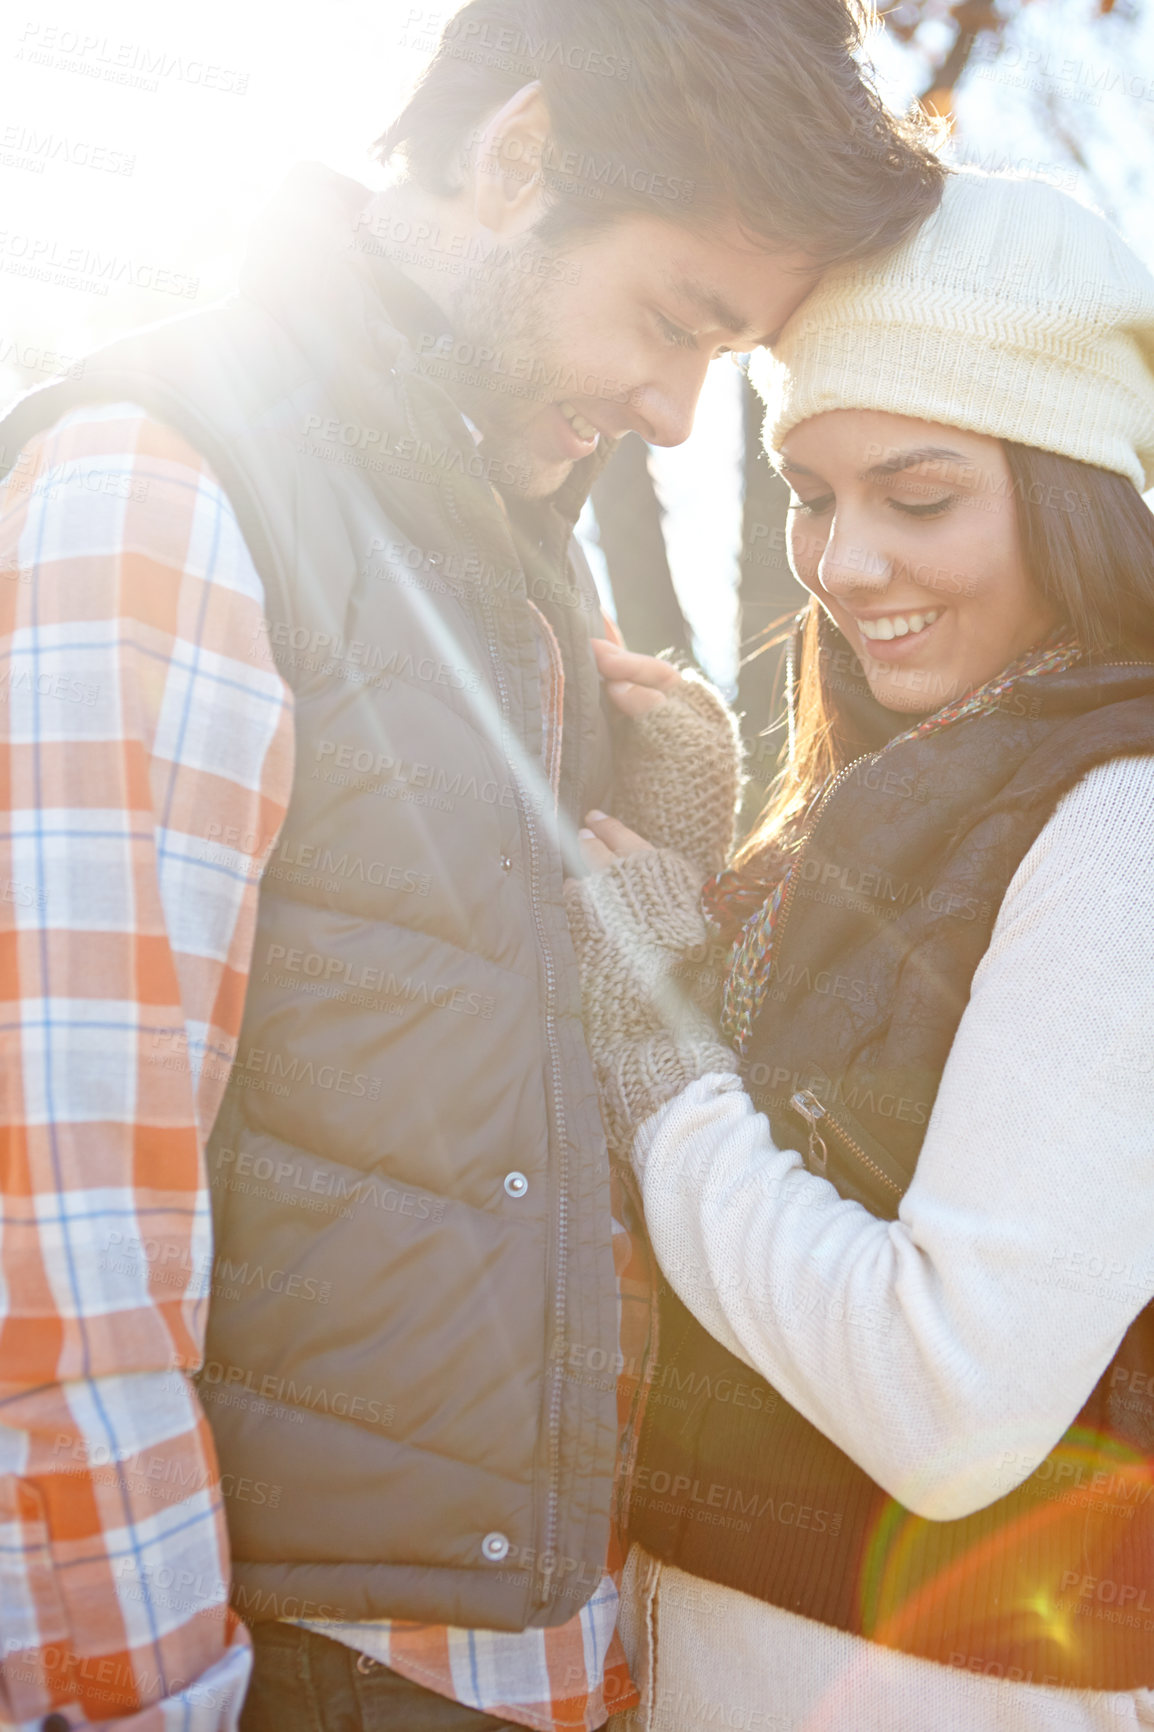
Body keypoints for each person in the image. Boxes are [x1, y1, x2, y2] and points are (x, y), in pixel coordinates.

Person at [0, 2, 943, 1726]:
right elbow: (59, 1236)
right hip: (301, 1673)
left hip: (542, 1664)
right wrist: (145, 1703)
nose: (674, 413)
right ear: (516, 158)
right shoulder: (167, 483)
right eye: (673, 319)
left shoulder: (501, 564)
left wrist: (658, 852)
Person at [565, 169, 1154, 1731]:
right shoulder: (942, 793)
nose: (843, 565)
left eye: (918, 494)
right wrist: (718, 887)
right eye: (809, 494)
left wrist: (658, 1051)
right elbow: (798, 1165)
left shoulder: (1122, 831)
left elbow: (948, 1401)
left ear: (1076, 483)